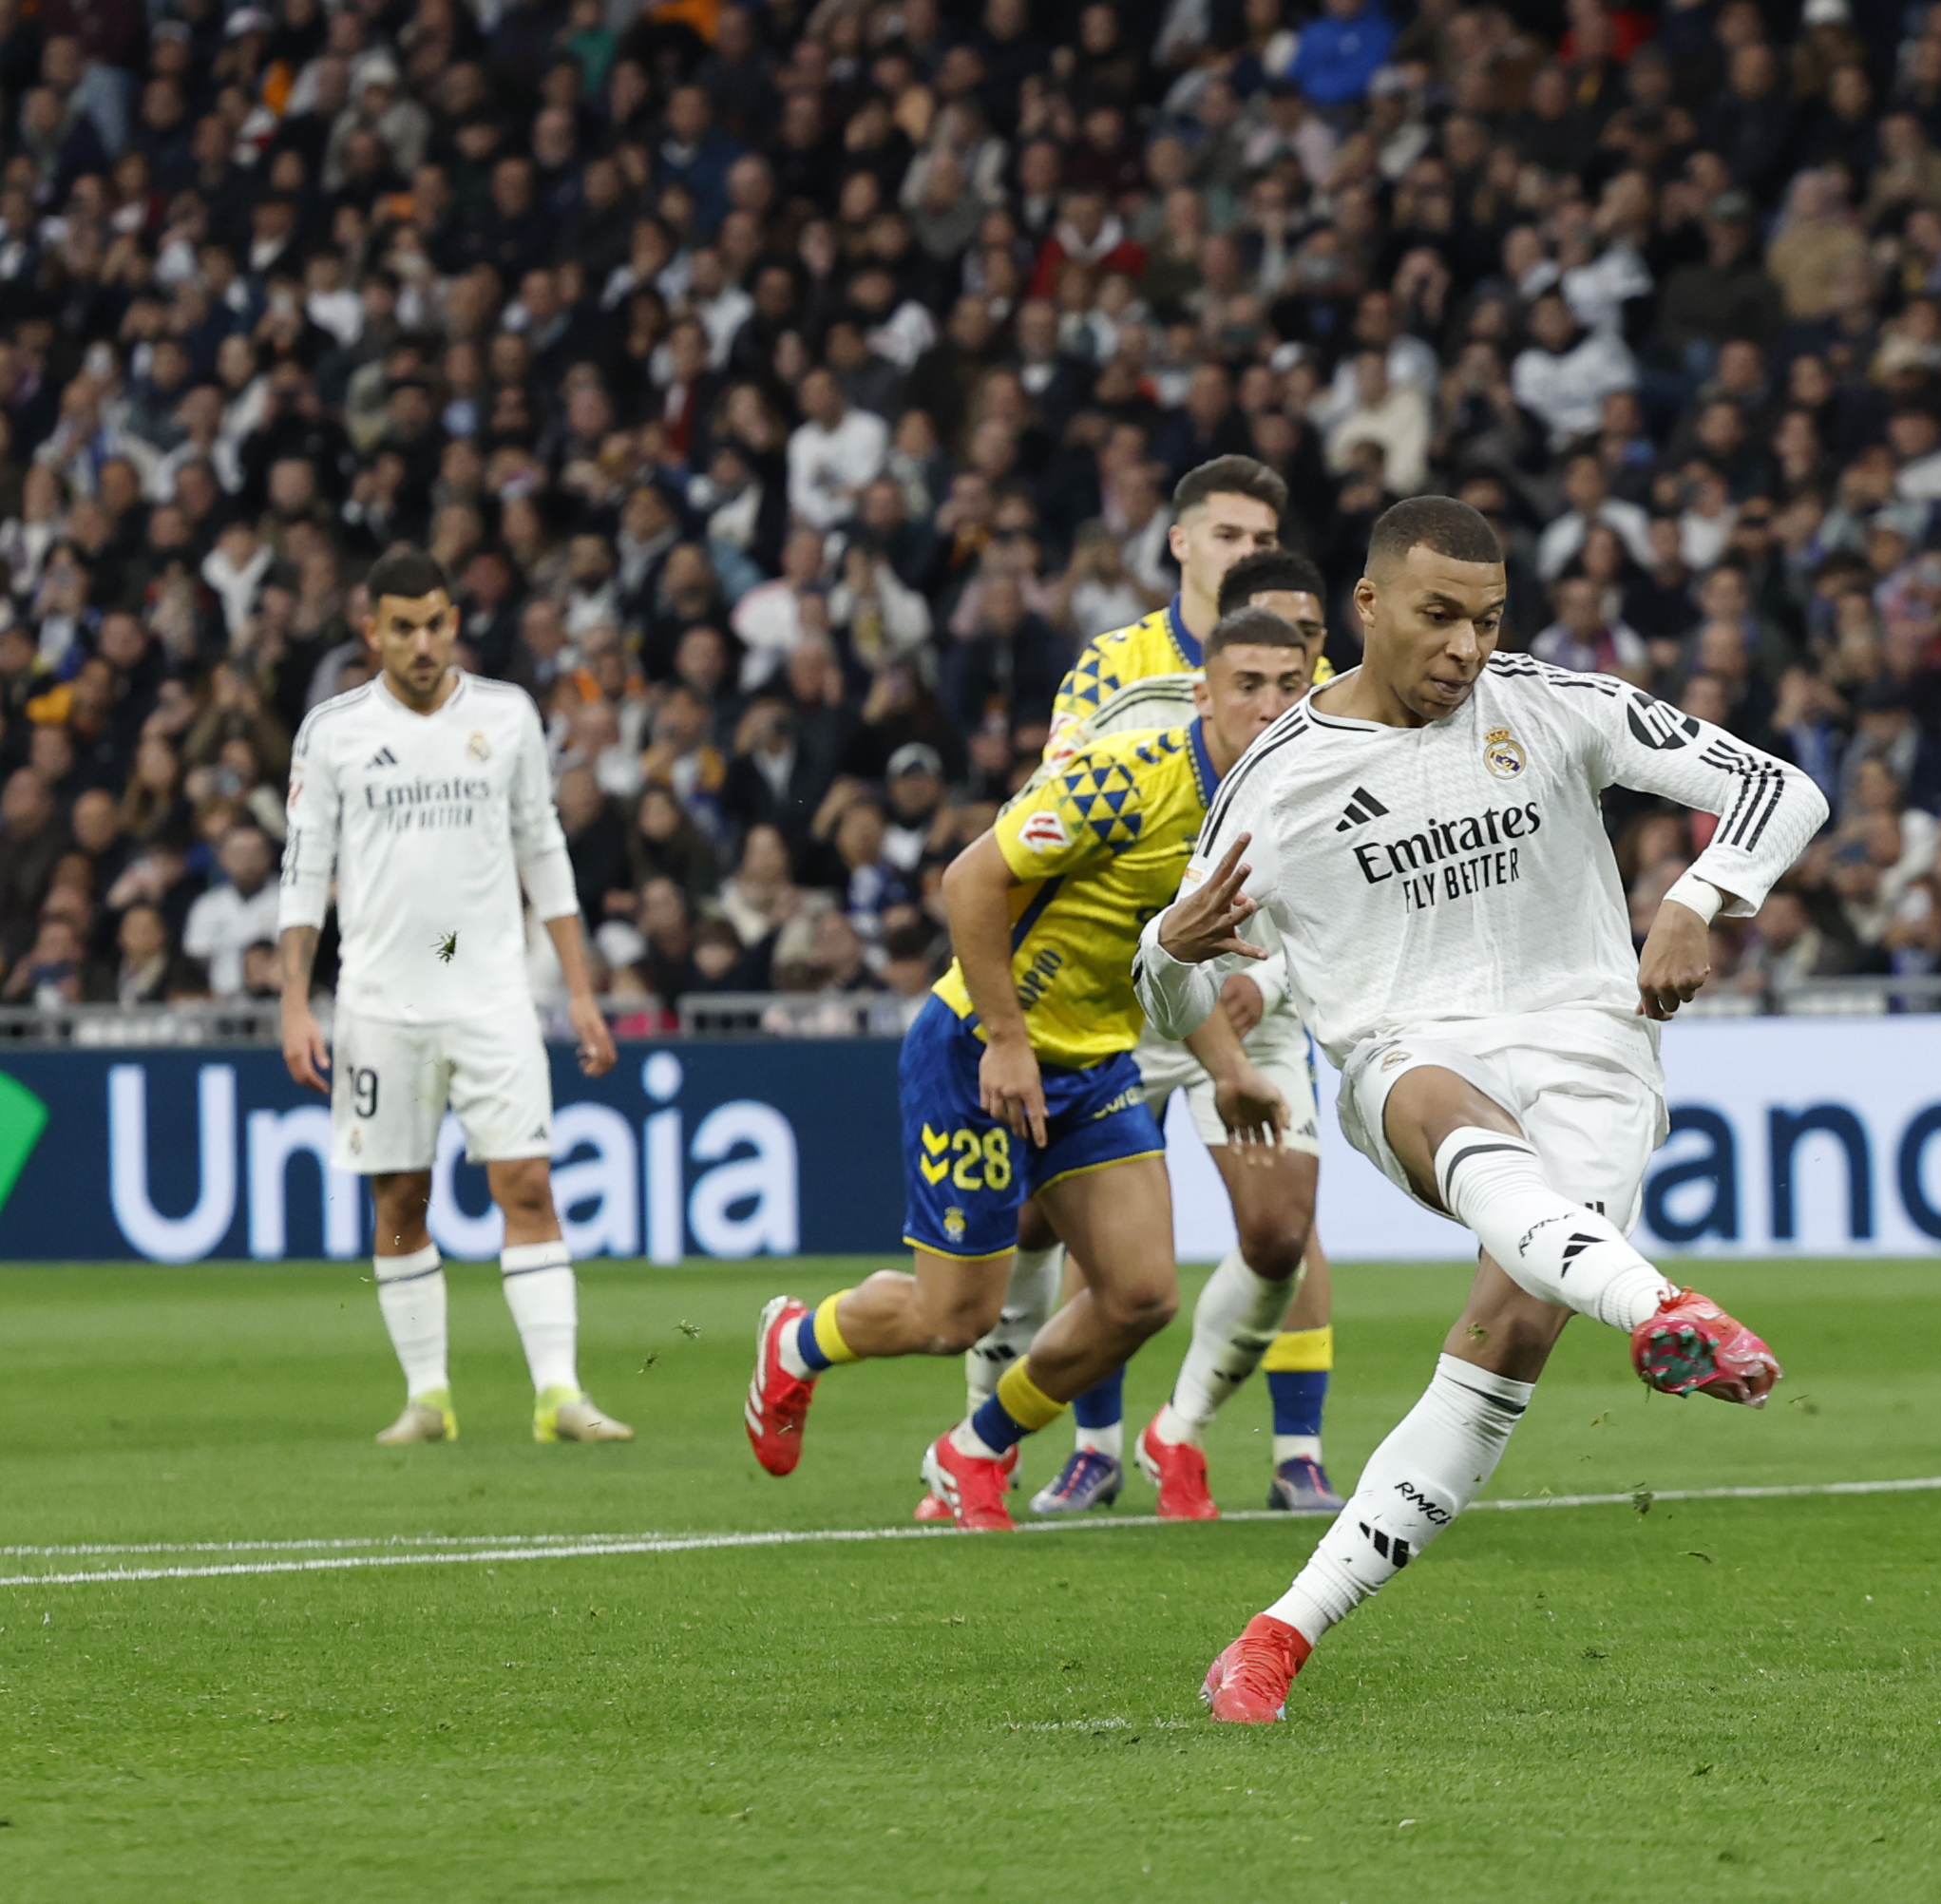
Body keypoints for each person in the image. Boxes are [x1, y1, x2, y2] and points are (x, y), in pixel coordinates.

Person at [1137, 498, 1828, 1723]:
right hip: (1410, 1053)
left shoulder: (1559, 704)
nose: (1465, 647)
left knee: (1504, 1340)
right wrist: (1163, 946)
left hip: (1595, 1054)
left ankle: (1275, 1639)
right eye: (1438, 616)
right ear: (1367, 608)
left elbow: (1780, 789)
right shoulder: (1278, 779)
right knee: (1442, 1110)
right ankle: (1661, 1307)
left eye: (1487, 619)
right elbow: (1171, 982)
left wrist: (1700, 890)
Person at [743, 609, 1316, 1529]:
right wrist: (1007, 1038)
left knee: (1139, 1297)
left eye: (1291, 685)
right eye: (1248, 683)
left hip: (1096, 1061)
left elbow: (1172, 958)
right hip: (979, 1046)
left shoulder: (1267, 807)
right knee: (951, 1319)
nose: (1272, 704)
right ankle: (796, 1341)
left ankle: (971, 1451)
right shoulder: (1128, 779)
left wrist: (1228, 1069)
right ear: (1203, 693)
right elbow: (971, 880)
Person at [275, 545, 631, 1447]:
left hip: (492, 996)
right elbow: (301, 871)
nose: (422, 642)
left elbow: (542, 852)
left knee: (527, 1184)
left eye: (435, 622)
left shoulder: (507, 716)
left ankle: (560, 1395)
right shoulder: (332, 731)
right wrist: (291, 1002)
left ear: (453, 622)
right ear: (373, 633)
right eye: (403, 627)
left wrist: (581, 996)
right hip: (379, 1003)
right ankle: (427, 1398)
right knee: (400, 1200)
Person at [1025, 547, 1350, 1520]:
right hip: (1128, 1009)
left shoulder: (1345, 731)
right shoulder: (1137, 712)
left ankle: (1198, 1428)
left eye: (1308, 644)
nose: (1285, 672)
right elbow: (1056, 839)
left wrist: (1276, 976)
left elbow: (1351, 896)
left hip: (1258, 1016)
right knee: (1094, 1231)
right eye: (1259, 656)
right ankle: (1088, 1449)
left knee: (1280, 1232)